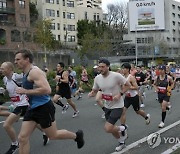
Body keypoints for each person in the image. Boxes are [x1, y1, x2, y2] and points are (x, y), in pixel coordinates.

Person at [14, 50, 84, 154]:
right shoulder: (25, 72)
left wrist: (25, 91)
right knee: (22, 138)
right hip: (32, 108)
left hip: (43, 108)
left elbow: (47, 90)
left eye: (18, 59)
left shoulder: (34, 72)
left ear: (27, 59)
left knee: (53, 135)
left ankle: (76, 136)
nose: (15, 62)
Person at [0, 62, 49, 154]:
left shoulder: (18, 77)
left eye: (2, 68)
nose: (0, 70)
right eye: (0, 68)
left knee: (6, 124)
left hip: (24, 104)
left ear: (10, 69)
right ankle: (45, 132)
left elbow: (31, 78)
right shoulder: (4, 79)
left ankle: (15, 144)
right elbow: (11, 90)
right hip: (16, 105)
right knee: (33, 122)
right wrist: (4, 91)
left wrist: (42, 72)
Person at [88, 58, 131, 152]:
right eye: (99, 67)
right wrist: (91, 94)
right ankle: (122, 142)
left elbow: (128, 85)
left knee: (108, 128)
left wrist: (120, 94)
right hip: (107, 105)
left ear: (108, 67)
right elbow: (95, 90)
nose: (100, 69)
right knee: (111, 129)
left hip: (118, 105)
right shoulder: (97, 78)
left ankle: (123, 128)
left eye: (103, 67)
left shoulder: (116, 76)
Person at [120, 63, 150, 127]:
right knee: (123, 111)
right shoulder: (122, 77)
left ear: (128, 69)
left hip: (134, 97)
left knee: (137, 111)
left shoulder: (131, 77)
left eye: (123, 68)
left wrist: (128, 87)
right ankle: (123, 127)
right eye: (122, 68)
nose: (122, 70)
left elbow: (136, 87)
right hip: (127, 97)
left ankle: (146, 117)